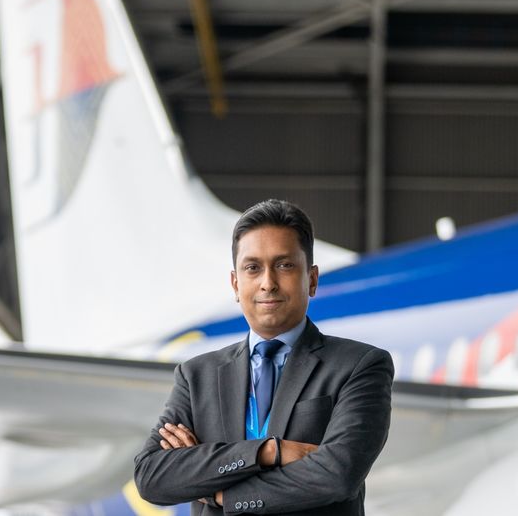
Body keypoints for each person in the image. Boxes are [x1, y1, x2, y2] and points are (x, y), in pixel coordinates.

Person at [133, 199, 394, 515]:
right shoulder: (196, 375)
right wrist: (270, 451)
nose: (267, 283)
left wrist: (220, 493)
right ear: (235, 283)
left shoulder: (359, 366)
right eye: (252, 267)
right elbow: (152, 477)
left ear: (311, 279)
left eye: (284, 265)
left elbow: (336, 475)